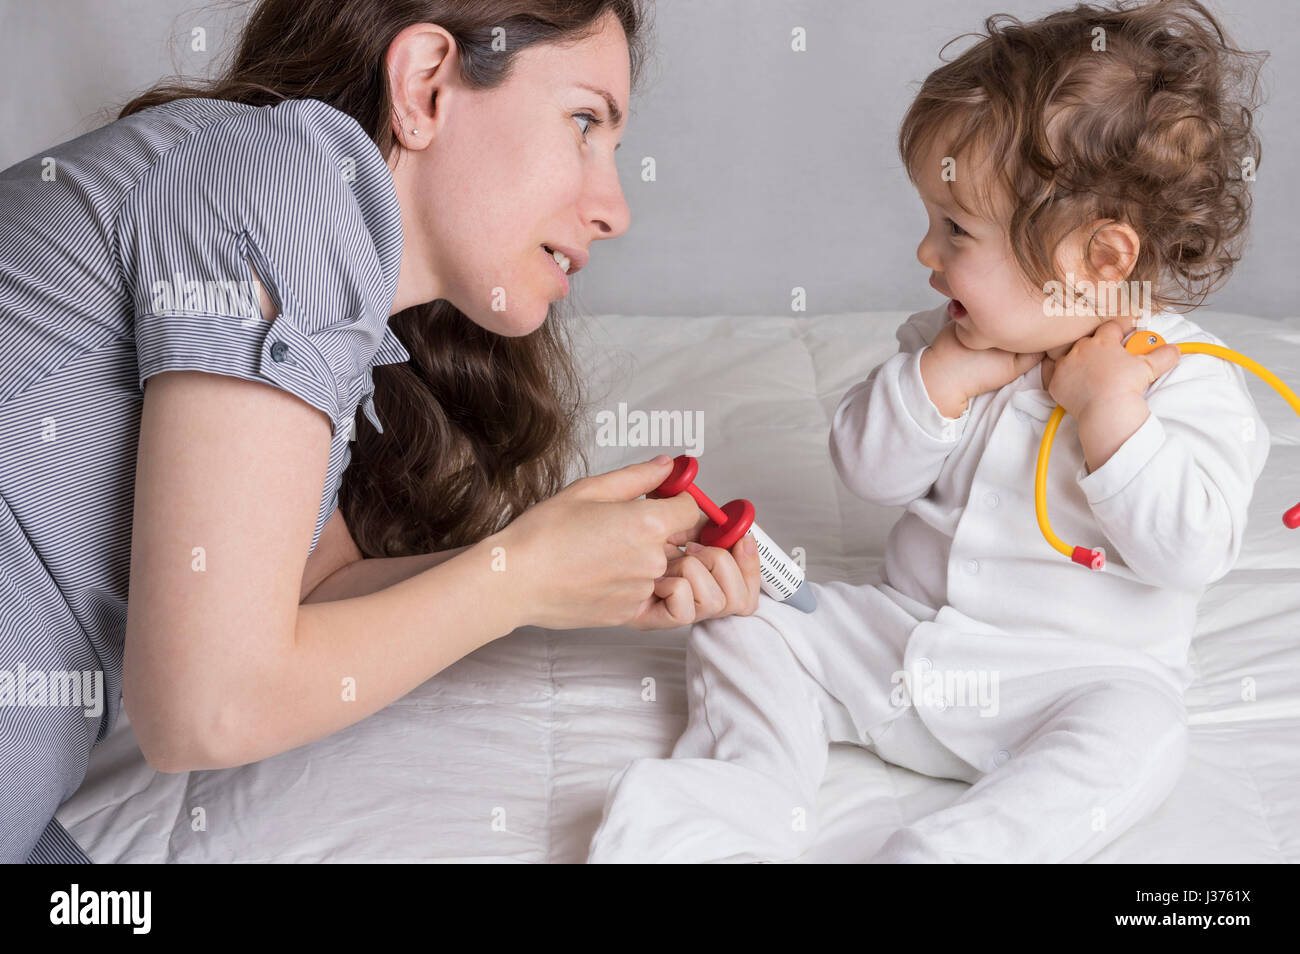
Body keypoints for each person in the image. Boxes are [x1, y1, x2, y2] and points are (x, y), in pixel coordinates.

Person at [0, 0, 761, 864]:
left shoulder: (334, 306)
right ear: (426, 85)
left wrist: (581, 567)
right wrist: (523, 577)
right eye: (584, 121)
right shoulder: (286, 179)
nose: (615, 207)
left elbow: (300, 602)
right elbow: (206, 705)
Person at [587, 0, 1270, 863]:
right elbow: (867, 472)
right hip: (903, 640)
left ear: (1101, 259)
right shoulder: (956, 341)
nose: (925, 252)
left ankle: (953, 852)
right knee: (743, 616)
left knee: (1143, 735)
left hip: (1072, 679)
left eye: (957, 229)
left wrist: (1113, 415)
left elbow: (1191, 552)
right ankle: (733, 809)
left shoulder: (1193, 382)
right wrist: (944, 376)